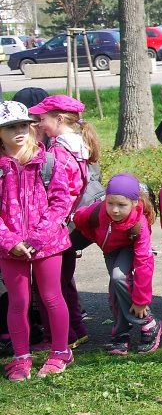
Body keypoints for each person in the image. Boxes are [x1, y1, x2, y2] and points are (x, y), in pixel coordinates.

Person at [0, 101, 73, 380]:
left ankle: (60, 352)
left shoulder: (48, 161)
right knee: (18, 301)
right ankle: (21, 357)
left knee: (52, 297)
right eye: (10, 127)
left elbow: (61, 202)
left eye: (22, 125)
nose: (18, 131)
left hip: (48, 243)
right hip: (10, 248)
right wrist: (9, 241)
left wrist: (36, 238)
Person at [29, 94, 102, 349]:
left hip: (56, 226)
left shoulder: (59, 152)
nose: (39, 124)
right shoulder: (79, 146)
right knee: (65, 282)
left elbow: (56, 191)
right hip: (70, 225)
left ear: (59, 119)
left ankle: (58, 337)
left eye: (42, 119)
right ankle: (77, 330)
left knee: (48, 288)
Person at [72, 174, 162, 355]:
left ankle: (149, 323)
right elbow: (80, 220)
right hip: (110, 250)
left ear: (135, 203)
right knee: (115, 290)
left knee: (119, 277)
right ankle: (121, 333)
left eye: (122, 205)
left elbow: (144, 263)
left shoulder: (139, 224)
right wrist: (96, 238)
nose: (114, 210)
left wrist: (141, 301)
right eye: (110, 203)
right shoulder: (96, 212)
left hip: (129, 247)